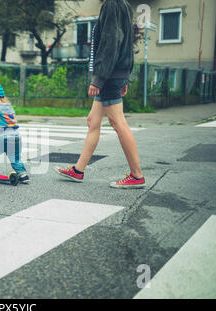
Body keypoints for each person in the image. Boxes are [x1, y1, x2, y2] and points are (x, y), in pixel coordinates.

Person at [55, 0, 145, 189]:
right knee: (93, 121)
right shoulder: (123, 5)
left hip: (109, 75)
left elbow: (110, 43)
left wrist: (99, 79)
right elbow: (126, 44)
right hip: (114, 74)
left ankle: (136, 176)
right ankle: (78, 170)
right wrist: (125, 76)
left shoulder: (112, 5)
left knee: (118, 122)